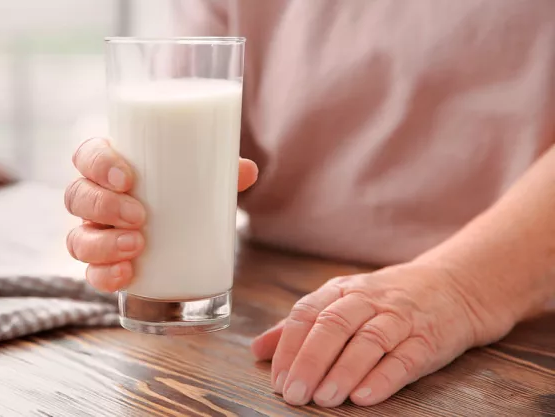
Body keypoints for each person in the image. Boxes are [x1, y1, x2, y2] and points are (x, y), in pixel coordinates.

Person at [63, 0, 555, 408]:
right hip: (270, 291)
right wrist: (119, 186)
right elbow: (197, 133)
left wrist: (464, 287)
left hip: (518, 310)